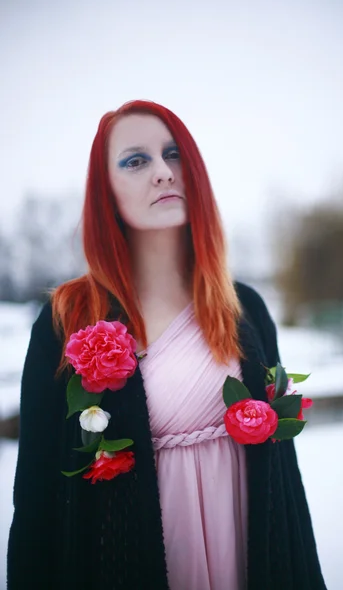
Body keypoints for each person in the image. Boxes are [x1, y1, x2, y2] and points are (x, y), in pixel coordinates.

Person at [7, 100, 326, 590]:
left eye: (173, 154)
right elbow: (36, 505)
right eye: (135, 160)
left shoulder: (246, 310)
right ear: (105, 190)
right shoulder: (66, 323)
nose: (162, 172)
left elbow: (287, 489)